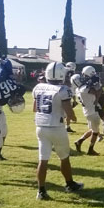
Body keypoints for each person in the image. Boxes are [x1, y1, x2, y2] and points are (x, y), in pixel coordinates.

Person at [32, 62, 84, 200]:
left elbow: (34, 108)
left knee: (43, 160)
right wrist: (72, 116)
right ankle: (69, 184)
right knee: (64, 157)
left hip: (41, 127)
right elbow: (69, 113)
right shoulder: (63, 90)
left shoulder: (38, 87)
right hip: (56, 128)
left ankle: (41, 191)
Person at [71, 74, 101, 156]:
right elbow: (97, 93)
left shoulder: (78, 89)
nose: (83, 79)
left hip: (88, 111)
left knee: (93, 129)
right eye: (81, 78)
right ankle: (90, 149)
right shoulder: (84, 89)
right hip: (92, 111)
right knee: (95, 132)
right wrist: (98, 84)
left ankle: (79, 141)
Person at [81, 66, 104, 139]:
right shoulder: (92, 78)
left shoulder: (95, 79)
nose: (84, 76)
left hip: (100, 96)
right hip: (96, 96)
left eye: (85, 74)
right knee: (99, 110)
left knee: (99, 111)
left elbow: (99, 91)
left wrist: (96, 100)